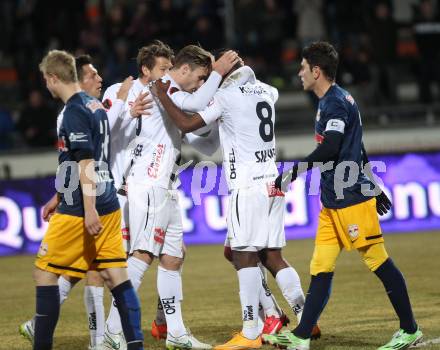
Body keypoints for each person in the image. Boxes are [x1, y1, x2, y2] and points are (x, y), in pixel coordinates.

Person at [266, 41, 422, 350]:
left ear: (317, 71)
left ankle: (410, 330)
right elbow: (358, 148)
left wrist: (291, 174)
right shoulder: (333, 101)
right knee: (320, 266)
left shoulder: (335, 103)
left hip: (349, 198)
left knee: (379, 261)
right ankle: (301, 336)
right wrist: (373, 186)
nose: (298, 72)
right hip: (332, 200)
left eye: (303, 67)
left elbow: (331, 148)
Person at [151, 54, 309, 350]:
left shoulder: (225, 96)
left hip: (247, 187)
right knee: (272, 255)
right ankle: (305, 317)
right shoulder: (266, 91)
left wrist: (163, 95)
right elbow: (214, 138)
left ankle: (251, 331)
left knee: (243, 256)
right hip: (272, 182)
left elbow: (186, 122)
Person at [104, 44, 239, 350]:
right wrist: (219, 74)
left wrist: (221, 118)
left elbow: (205, 146)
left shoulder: (176, 99)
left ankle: (176, 333)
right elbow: (197, 100)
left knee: (174, 256)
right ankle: (113, 329)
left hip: (166, 188)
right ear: (186, 70)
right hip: (148, 184)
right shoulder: (164, 86)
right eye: (201, 76)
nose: (202, 83)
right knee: (142, 254)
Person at [19, 54, 136, 350]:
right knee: (115, 275)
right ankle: (136, 344)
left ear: (54, 78)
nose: (46, 84)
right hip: (107, 198)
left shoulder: (72, 112)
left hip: (82, 206)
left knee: (45, 271)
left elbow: (84, 162)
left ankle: (40, 342)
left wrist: (87, 209)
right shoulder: (96, 106)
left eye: (46, 79)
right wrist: (56, 196)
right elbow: (81, 160)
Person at [101, 40, 171, 350]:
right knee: (127, 262)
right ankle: (109, 332)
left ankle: (167, 324)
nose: (168, 74)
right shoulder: (119, 90)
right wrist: (127, 110)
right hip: (120, 191)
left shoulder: (166, 95)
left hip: (146, 185)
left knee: (166, 254)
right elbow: (103, 130)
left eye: (171, 68)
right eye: (163, 68)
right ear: (146, 69)